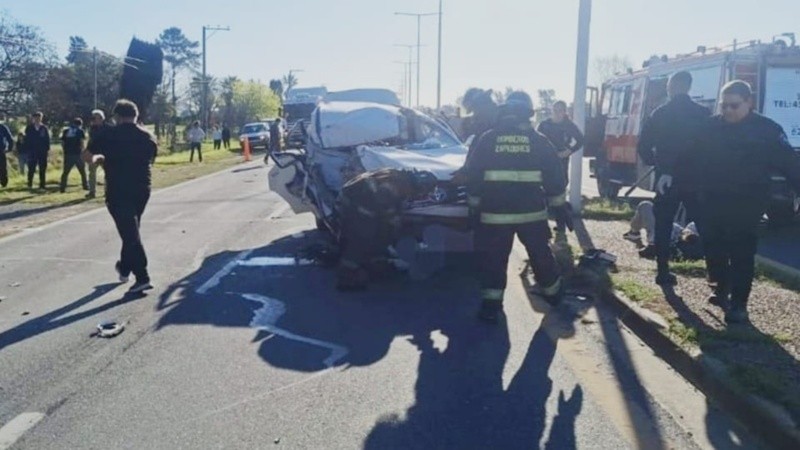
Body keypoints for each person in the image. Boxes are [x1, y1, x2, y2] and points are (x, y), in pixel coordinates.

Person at [693, 80, 800, 324]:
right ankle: (720, 286)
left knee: (742, 250)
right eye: (724, 105)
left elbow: (790, 164)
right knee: (713, 246)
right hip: (712, 199)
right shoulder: (709, 128)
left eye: (734, 105)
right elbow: (691, 160)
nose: (728, 111)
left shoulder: (767, 130)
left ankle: (739, 305)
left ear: (748, 103)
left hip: (748, 201)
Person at [465, 91, 571, 323]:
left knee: (493, 260)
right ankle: (554, 296)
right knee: (540, 255)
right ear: (527, 114)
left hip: (494, 215)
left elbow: (472, 175)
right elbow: (555, 176)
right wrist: (559, 206)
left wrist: (474, 206)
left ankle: (491, 306)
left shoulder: (488, 139)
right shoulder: (538, 140)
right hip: (531, 215)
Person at [636, 71, 710, 287]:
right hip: (695, 179)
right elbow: (712, 147)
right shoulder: (703, 114)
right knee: (704, 223)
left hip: (666, 179)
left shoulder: (660, 113)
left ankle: (663, 271)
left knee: (663, 224)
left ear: (671, 87)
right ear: (688, 87)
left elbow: (643, 146)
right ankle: (716, 274)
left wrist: (658, 164)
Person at [88, 99, 157, 294]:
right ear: (136, 116)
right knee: (131, 231)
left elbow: (88, 155)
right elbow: (151, 160)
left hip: (118, 189)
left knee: (130, 234)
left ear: (117, 117)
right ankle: (125, 268)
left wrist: (100, 160)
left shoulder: (109, 134)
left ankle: (142, 276)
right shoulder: (148, 136)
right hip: (142, 188)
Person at [336, 168, 438, 291]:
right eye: (424, 191)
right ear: (420, 186)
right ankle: (347, 275)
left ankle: (376, 262)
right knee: (363, 238)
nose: (422, 195)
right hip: (355, 206)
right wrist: (397, 223)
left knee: (384, 232)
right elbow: (386, 207)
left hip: (365, 203)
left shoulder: (400, 178)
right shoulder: (393, 185)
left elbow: (393, 206)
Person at [624, 200, 703, 261]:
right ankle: (635, 233)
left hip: (676, 234)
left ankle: (654, 244)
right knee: (645, 205)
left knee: (645, 206)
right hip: (669, 225)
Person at [84, 109, 111, 199]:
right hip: (94, 154)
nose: (93, 120)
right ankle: (92, 192)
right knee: (92, 173)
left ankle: (108, 191)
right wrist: (87, 150)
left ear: (101, 118)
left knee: (108, 173)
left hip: (105, 154)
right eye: (93, 118)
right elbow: (91, 141)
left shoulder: (108, 128)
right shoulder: (92, 129)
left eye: (95, 118)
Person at [59, 118, 88, 193]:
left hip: (68, 154)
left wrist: (65, 150)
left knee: (65, 172)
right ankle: (85, 185)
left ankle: (62, 187)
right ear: (80, 124)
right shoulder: (80, 131)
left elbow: (62, 142)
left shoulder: (66, 131)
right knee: (82, 171)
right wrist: (84, 151)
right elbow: (82, 142)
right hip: (78, 154)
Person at [24, 112, 51, 190]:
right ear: (33, 118)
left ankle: (42, 185)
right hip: (32, 151)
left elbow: (47, 140)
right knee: (31, 168)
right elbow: (27, 140)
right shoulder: (29, 128)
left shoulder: (44, 128)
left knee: (42, 168)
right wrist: (27, 150)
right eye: (35, 118)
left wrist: (47, 150)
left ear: (41, 118)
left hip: (42, 151)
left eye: (39, 118)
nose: (37, 119)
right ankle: (30, 184)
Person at [0, 113, 13, 188]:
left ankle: (3, 182)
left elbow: (10, 139)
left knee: (2, 167)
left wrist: (9, 149)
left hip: (1, 150)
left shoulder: (2, 127)